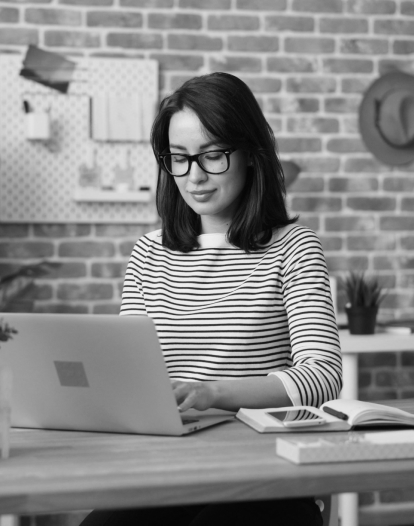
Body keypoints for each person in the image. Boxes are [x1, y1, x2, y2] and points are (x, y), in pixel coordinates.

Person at [80, 72, 342, 526]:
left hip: (266, 474)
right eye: (178, 159)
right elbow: (128, 372)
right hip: (165, 472)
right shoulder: (148, 252)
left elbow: (322, 376)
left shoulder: (294, 247)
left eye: (213, 155)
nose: (194, 176)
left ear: (251, 155)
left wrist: (213, 394)